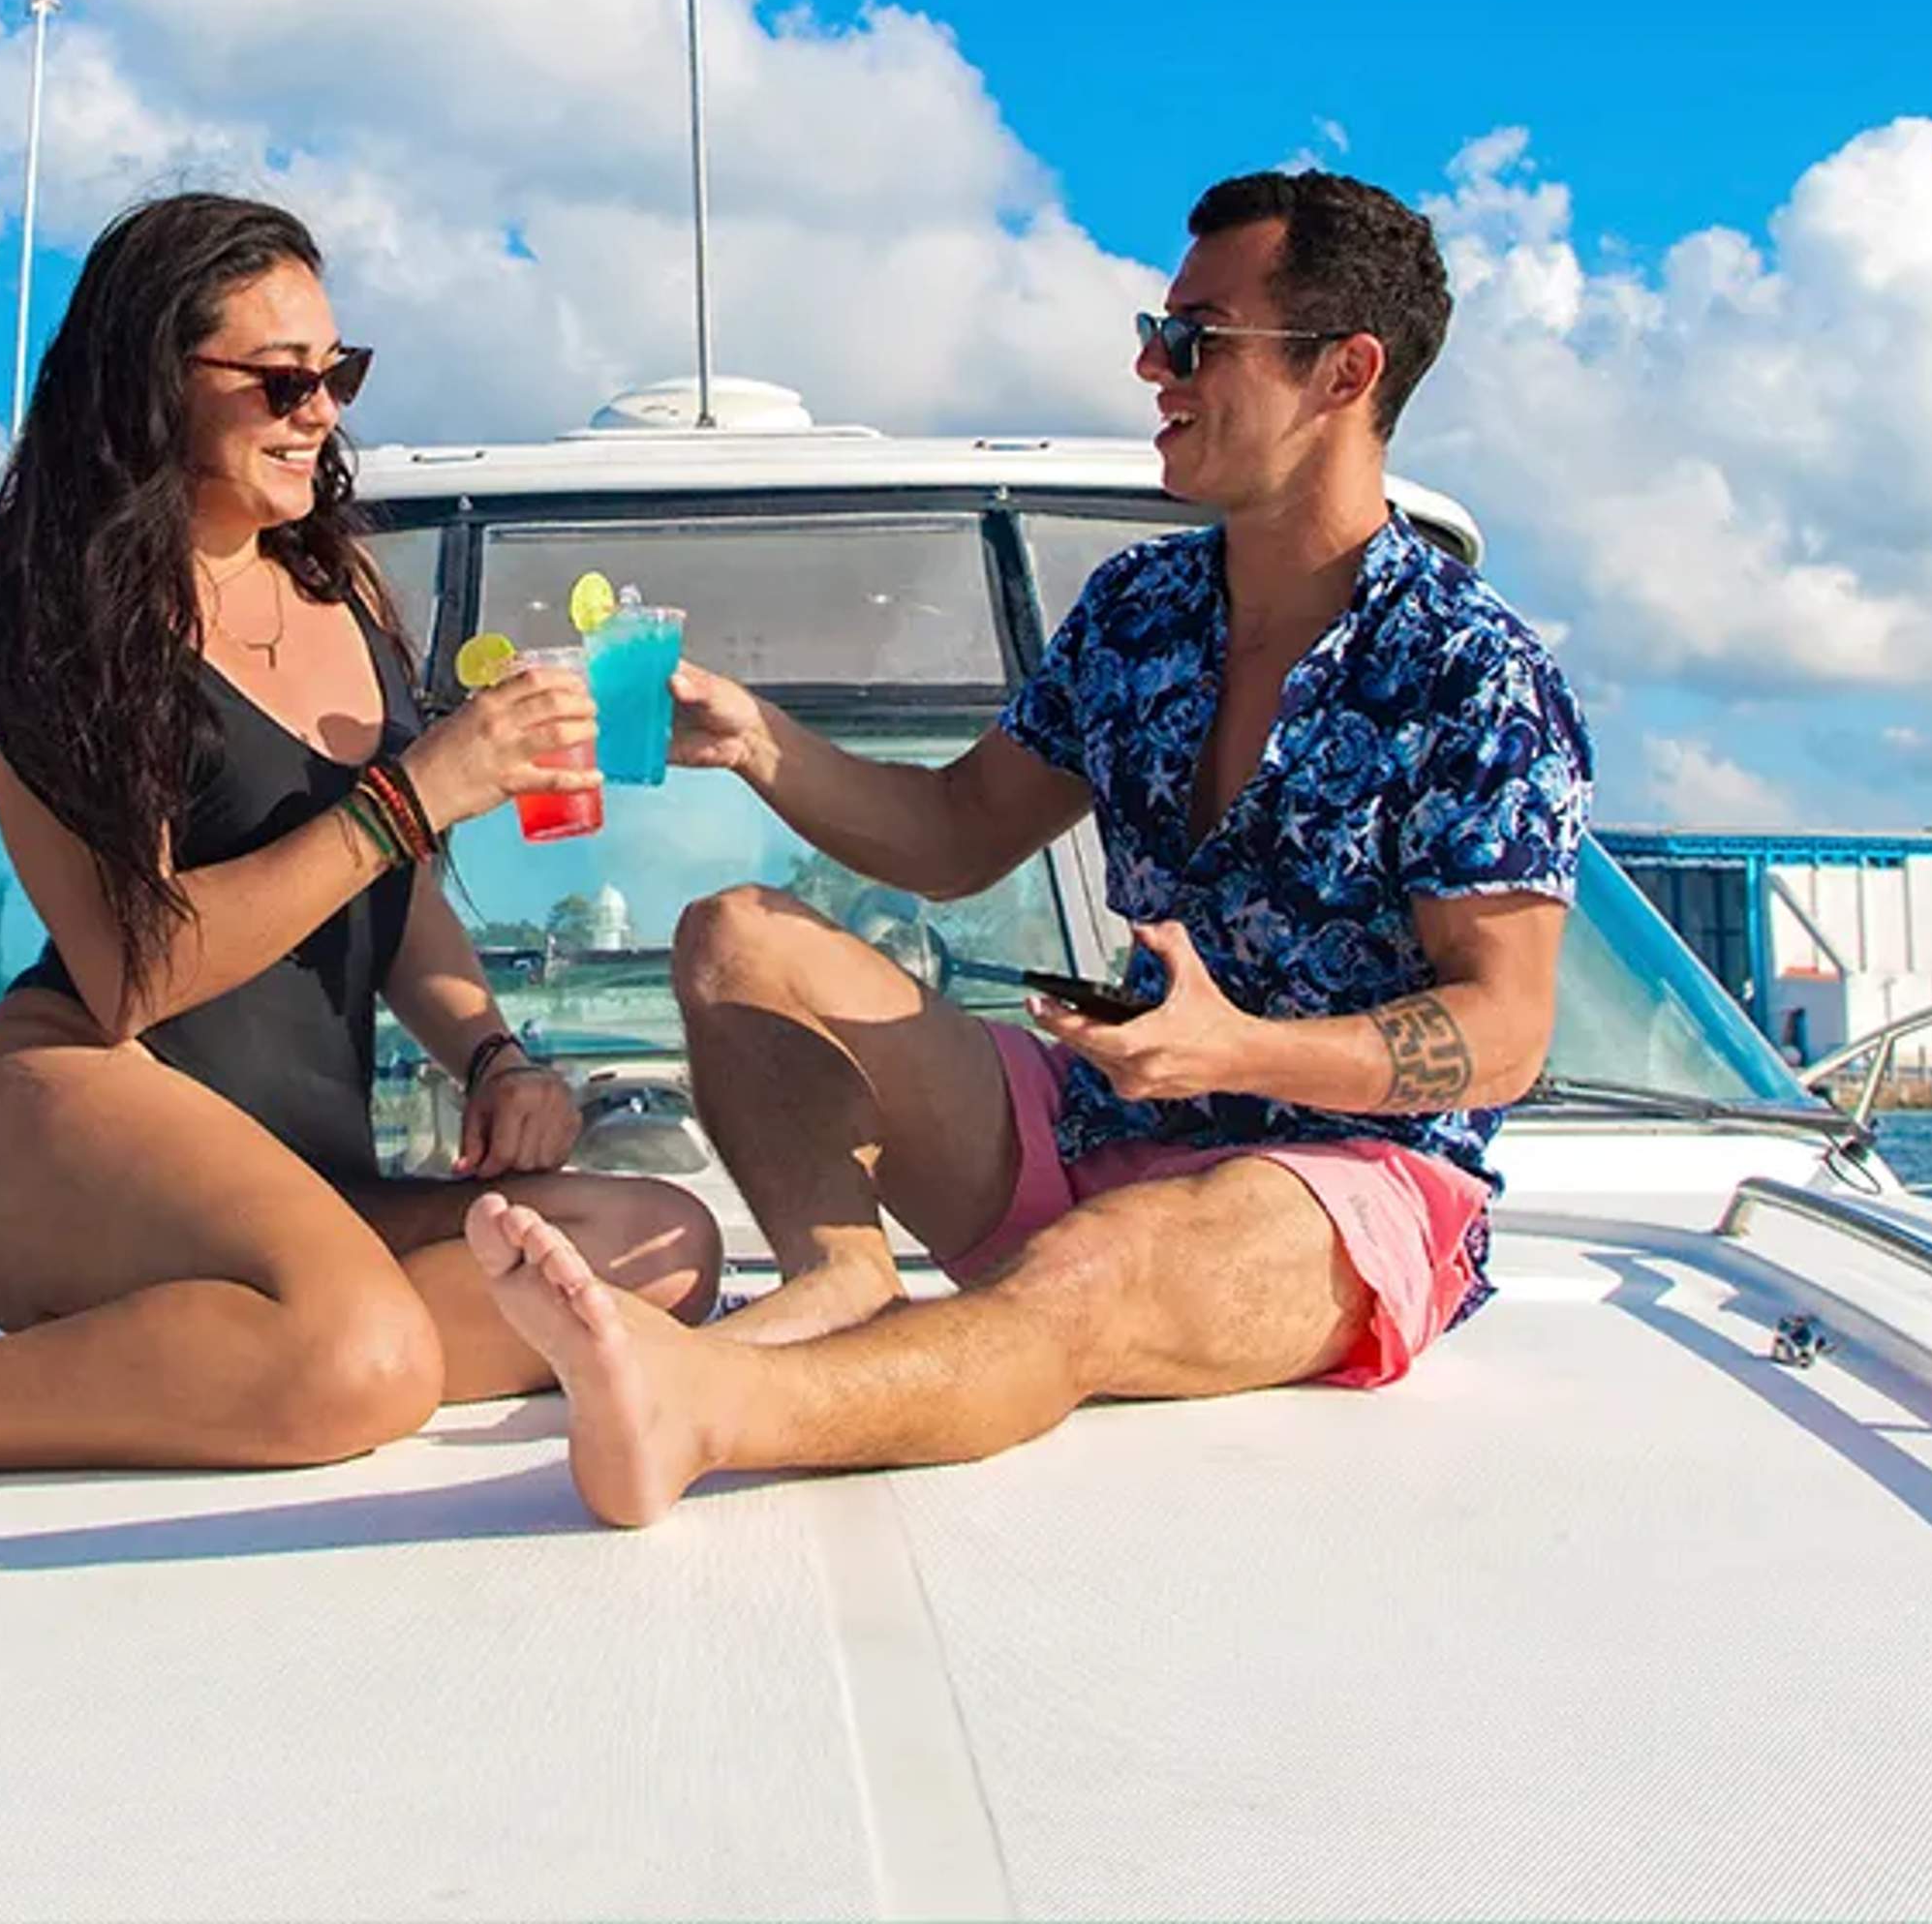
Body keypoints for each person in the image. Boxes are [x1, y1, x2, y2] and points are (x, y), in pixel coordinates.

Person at [0, 195, 720, 1526]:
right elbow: (133, 970)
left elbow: (397, 907)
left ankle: (84, 1379)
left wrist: (494, 1058)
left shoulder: (343, 588)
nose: (321, 408)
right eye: (280, 378)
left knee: (663, 1244)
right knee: (358, 1356)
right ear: (154, 383)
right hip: (83, 1109)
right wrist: (410, 796)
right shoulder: (49, 602)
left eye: (339, 372)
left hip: (299, 1175)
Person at [461, 168, 1592, 1526]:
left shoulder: (1473, 674)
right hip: (1116, 1107)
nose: (1148, 363)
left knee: (1090, 1273)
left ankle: (707, 1409)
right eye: (1155, 328)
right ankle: (838, 1277)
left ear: (1344, 373)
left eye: (1195, 338)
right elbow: (954, 839)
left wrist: (1241, 1052)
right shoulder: (1139, 611)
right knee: (737, 937)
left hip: (1357, 1182)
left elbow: (1505, 1027)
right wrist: (758, 738)